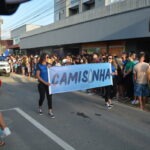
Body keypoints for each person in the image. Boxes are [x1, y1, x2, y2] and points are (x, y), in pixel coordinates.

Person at [36, 53, 55, 118]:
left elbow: (54, 73)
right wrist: (45, 83)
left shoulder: (49, 65)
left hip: (49, 84)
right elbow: (38, 76)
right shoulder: (39, 65)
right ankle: (40, 107)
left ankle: (50, 111)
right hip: (41, 84)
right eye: (46, 57)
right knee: (42, 97)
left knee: (49, 97)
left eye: (48, 57)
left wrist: (51, 68)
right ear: (43, 58)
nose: (47, 58)